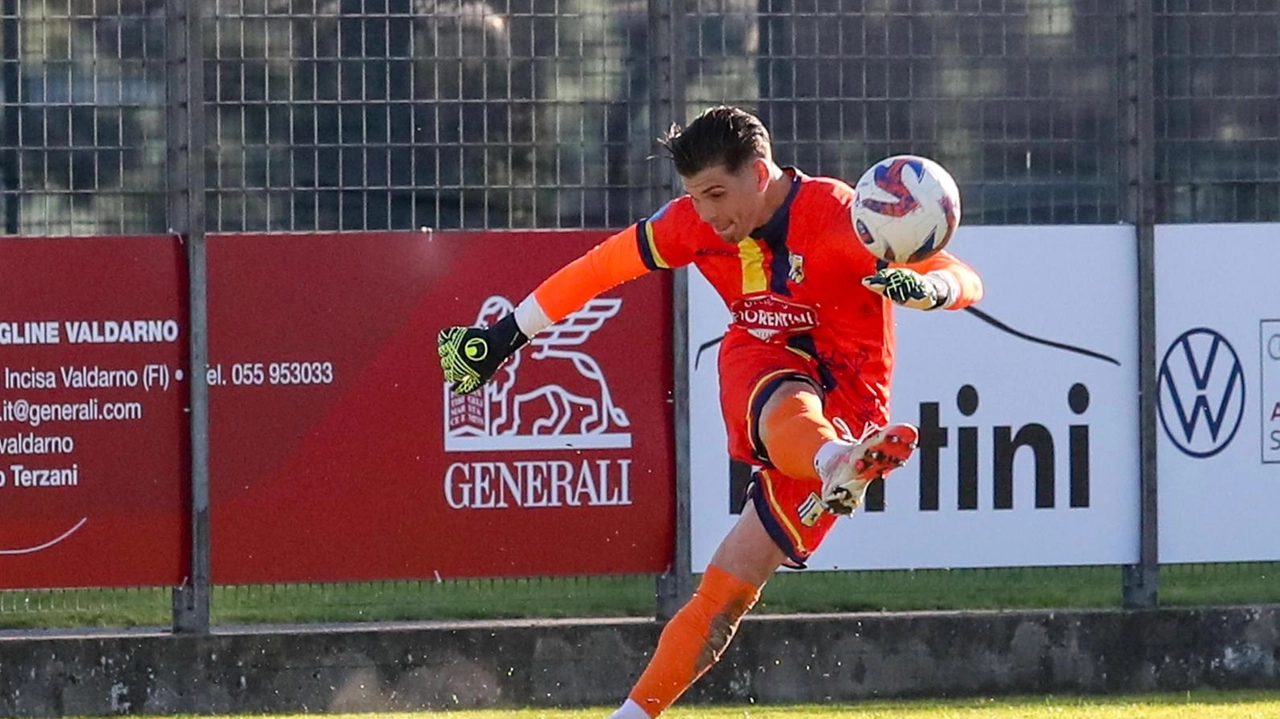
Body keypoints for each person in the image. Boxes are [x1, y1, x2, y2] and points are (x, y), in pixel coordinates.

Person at [437, 105, 983, 718]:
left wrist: (929, 289)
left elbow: (964, 278)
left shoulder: (836, 213)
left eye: (717, 194)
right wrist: (508, 334)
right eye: (695, 199)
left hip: (855, 402)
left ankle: (834, 461)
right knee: (777, 384)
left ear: (759, 171)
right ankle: (834, 462)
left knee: (725, 597)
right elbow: (599, 270)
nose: (708, 216)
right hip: (766, 365)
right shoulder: (690, 226)